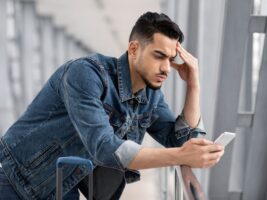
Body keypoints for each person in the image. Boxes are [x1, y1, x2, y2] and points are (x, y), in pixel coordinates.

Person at [0, 12, 224, 200]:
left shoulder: (151, 97)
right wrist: (180, 156)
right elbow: (105, 147)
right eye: (159, 56)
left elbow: (185, 142)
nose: (166, 68)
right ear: (134, 49)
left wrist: (193, 84)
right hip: (15, 181)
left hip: (62, 186)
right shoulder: (85, 74)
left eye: (171, 59)